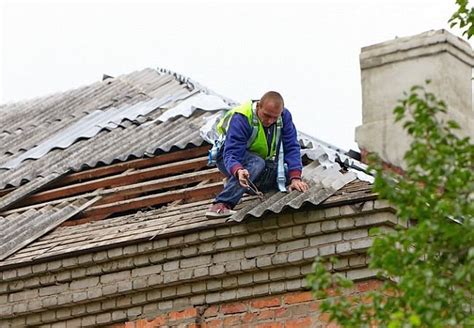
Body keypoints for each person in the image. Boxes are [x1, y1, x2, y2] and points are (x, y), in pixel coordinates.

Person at [205, 91, 309, 218]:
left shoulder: (284, 117)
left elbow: (291, 146)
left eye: (274, 118)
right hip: (230, 159)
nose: (270, 121)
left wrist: (295, 178)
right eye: (266, 115)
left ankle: (236, 183)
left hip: (259, 163)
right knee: (256, 163)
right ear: (259, 106)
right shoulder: (242, 117)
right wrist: (238, 170)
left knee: (284, 174)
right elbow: (231, 153)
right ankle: (221, 204)